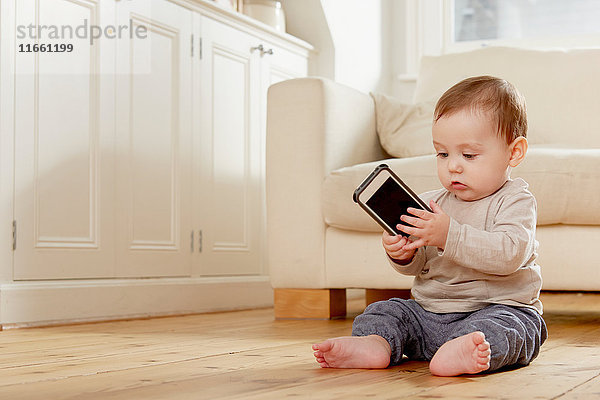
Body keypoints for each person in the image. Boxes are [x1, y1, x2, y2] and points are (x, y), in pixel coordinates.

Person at [312, 76, 547, 376]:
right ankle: (376, 343)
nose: (453, 165)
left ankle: (465, 349)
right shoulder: (430, 204)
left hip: (495, 310)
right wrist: (403, 254)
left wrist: (449, 235)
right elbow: (422, 266)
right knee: (388, 310)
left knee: (516, 329)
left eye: (469, 155)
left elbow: (509, 254)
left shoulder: (515, 201)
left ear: (514, 152)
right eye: (443, 153)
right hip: (429, 315)